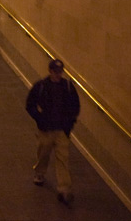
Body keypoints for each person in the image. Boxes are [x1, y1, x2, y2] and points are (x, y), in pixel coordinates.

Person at [26, 58, 80, 206]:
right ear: (50, 71)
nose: (58, 75)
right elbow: (30, 104)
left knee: (63, 158)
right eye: (55, 72)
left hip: (61, 130)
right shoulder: (41, 86)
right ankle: (40, 172)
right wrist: (39, 118)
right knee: (43, 153)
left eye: (60, 72)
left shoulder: (68, 87)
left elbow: (75, 106)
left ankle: (64, 188)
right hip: (46, 130)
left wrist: (69, 123)